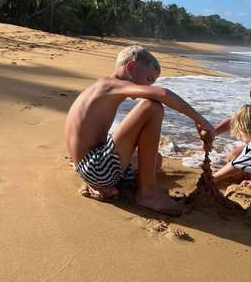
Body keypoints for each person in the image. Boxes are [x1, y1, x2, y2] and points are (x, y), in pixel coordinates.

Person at [65, 45, 215, 215]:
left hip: (87, 166)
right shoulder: (112, 85)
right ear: (130, 67)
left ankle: (108, 183)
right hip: (97, 169)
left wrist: (82, 168)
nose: (149, 86)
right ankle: (147, 193)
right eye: (149, 80)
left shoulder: (100, 85)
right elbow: (163, 94)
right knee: (152, 106)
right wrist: (201, 120)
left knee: (155, 160)